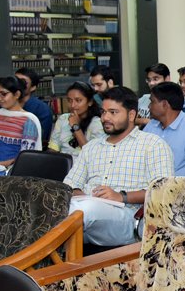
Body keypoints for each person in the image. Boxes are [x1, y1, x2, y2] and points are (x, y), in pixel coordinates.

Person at [64, 86, 174, 247]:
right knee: (55, 206)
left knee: (83, 210)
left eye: (113, 112)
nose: (105, 118)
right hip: (85, 211)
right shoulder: (91, 147)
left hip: (129, 216)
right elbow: (70, 185)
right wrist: (81, 195)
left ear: (131, 115)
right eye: (103, 112)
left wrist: (121, 196)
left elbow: (163, 191)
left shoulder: (153, 144)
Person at [0, 76, 43, 175]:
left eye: (3, 94)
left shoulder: (29, 120)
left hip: (9, 168)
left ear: (17, 94)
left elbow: (26, 156)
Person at [143, 81, 185, 177]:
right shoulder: (151, 125)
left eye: (152, 101)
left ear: (165, 104)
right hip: (147, 183)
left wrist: (170, 177)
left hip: (177, 186)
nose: (149, 106)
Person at [47, 81, 104, 159]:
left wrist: (76, 126)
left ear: (90, 102)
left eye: (78, 100)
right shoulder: (63, 119)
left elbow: (90, 155)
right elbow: (53, 150)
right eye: (70, 101)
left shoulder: (97, 123)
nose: (73, 105)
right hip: (63, 167)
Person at [15, 67, 54, 146]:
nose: (18, 85)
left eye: (22, 82)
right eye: (15, 80)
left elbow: (40, 139)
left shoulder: (42, 110)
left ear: (33, 87)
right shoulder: (6, 104)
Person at [136, 63, 170, 129]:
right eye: (149, 80)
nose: (151, 83)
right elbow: (129, 118)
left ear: (167, 79)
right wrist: (144, 121)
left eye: (155, 79)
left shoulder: (174, 101)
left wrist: (143, 121)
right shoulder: (144, 98)